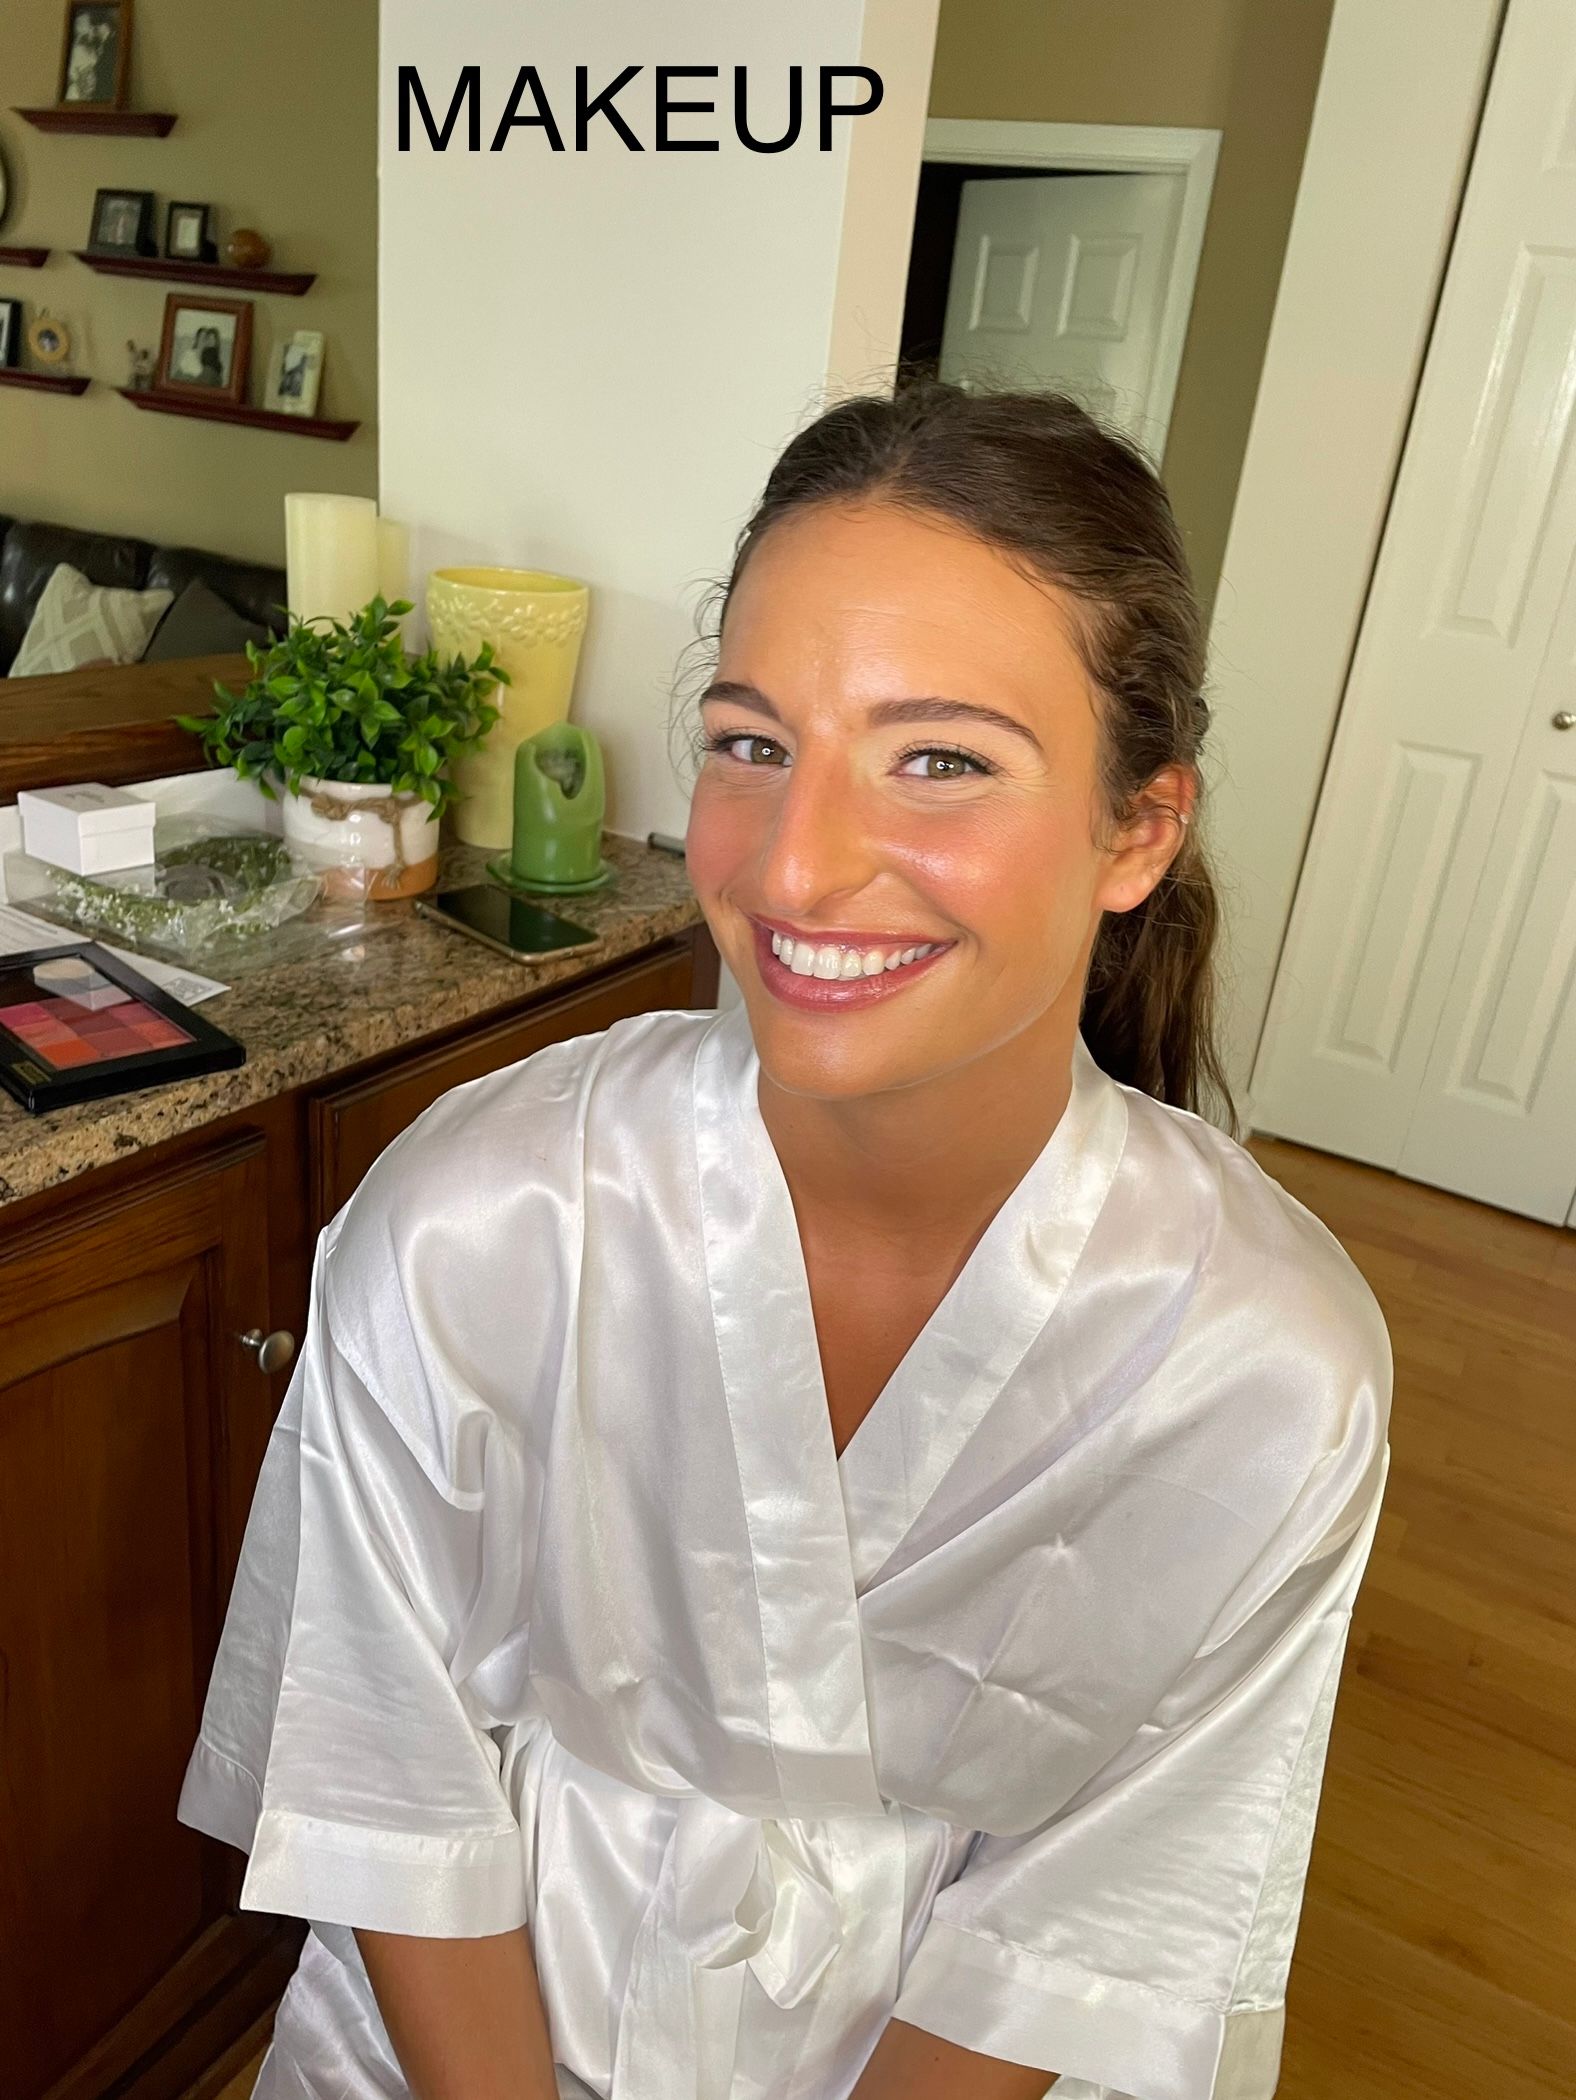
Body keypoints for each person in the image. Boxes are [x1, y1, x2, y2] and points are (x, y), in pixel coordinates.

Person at [177, 381, 1393, 2100]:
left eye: (943, 761)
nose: (799, 865)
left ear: (1141, 827)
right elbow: (390, 1763)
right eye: (754, 741)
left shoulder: (1266, 1370)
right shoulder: (477, 1228)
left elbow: (1104, 1916)